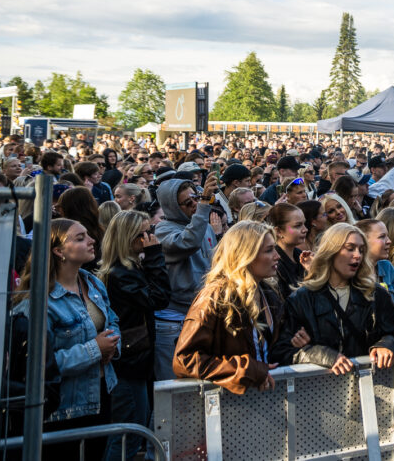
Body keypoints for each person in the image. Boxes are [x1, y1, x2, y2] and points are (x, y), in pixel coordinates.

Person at [12, 219, 121, 460]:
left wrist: (113, 345)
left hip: (102, 393)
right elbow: (39, 365)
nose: (92, 240)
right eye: (80, 238)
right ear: (58, 251)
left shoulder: (91, 282)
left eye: (88, 235)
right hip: (65, 409)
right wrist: (95, 349)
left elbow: (111, 319)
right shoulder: (38, 301)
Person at [271, 223, 394, 373]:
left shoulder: (376, 294)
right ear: (331, 251)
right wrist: (322, 355)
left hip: (370, 387)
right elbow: (282, 352)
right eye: (350, 248)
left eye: (361, 250)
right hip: (319, 391)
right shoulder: (301, 298)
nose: (357, 255)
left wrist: (387, 344)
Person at [173, 221, 284, 394]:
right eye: (269, 250)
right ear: (246, 255)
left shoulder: (268, 293)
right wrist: (247, 370)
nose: (277, 256)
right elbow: (185, 360)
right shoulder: (215, 297)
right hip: (227, 404)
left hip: (267, 397)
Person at [97, 211, 171, 461]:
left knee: (131, 428)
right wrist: (154, 256)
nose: (150, 238)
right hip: (127, 363)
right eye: (143, 234)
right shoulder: (121, 273)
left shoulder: (127, 268)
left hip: (132, 360)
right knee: (128, 432)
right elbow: (158, 298)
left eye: (151, 231)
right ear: (128, 238)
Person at [155, 175, 219, 380]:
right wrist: (203, 206)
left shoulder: (204, 225)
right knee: (174, 383)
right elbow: (188, 242)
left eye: (195, 198)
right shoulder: (163, 230)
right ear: (172, 206)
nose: (194, 205)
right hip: (174, 320)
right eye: (187, 203)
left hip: (202, 313)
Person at [356, 219, 394, 347]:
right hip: (369, 347)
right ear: (364, 242)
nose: (389, 241)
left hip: (392, 341)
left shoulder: (387, 267)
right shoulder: (353, 273)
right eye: (382, 237)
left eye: (387, 236)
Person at [267, 203, 310, 295]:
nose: (305, 229)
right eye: (298, 226)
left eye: (304, 224)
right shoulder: (275, 264)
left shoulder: (300, 255)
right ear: (278, 231)